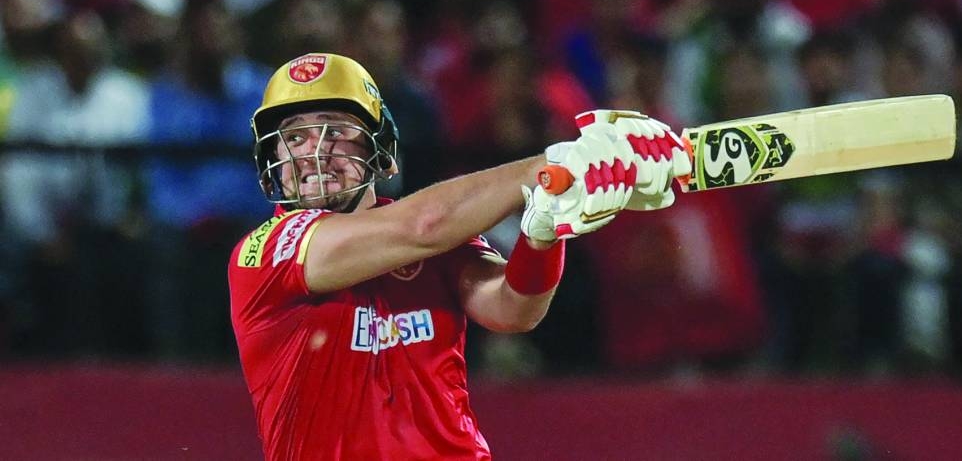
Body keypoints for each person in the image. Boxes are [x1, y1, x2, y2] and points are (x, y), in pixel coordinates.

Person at [228, 52, 690, 460]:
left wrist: (544, 233)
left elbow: (512, 309)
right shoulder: (263, 253)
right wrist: (549, 166)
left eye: (337, 133)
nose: (314, 153)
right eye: (295, 137)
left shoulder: (428, 233)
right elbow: (421, 227)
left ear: (379, 150)